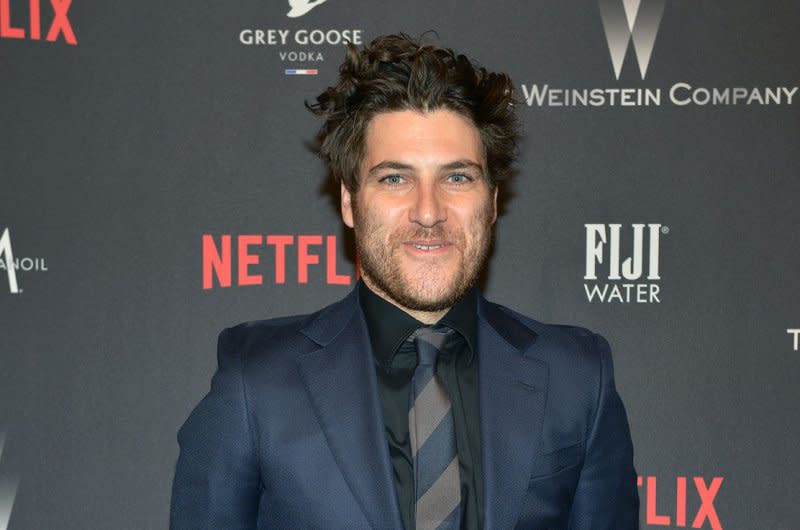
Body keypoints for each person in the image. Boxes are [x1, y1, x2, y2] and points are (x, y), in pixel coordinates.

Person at [170, 33, 639, 529]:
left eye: (457, 178)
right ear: (350, 202)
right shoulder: (257, 382)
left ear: (493, 201)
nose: (429, 211)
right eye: (395, 178)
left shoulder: (577, 377)